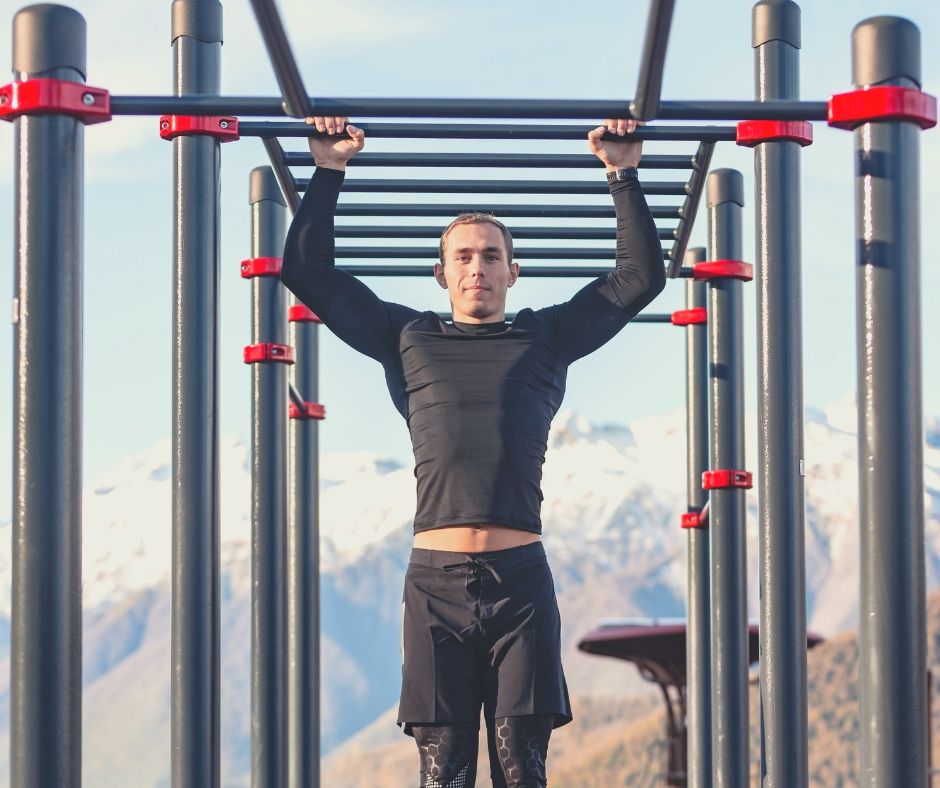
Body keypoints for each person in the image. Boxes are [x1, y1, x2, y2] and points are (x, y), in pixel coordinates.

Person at [280, 115, 665, 788]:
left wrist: (623, 172)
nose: (477, 266)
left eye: (491, 256)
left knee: (524, 771)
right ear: (441, 273)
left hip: (521, 584)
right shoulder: (406, 338)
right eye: (463, 256)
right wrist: (328, 168)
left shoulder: (545, 338)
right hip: (433, 584)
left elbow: (638, 278)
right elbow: (307, 272)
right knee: (444, 773)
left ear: (513, 272)